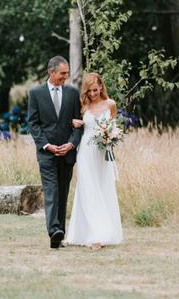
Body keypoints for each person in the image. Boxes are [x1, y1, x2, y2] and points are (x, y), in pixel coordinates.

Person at [27, 56, 83, 249]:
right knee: (51, 191)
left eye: (66, 74)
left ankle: (59, 235)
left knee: (62, 193)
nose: (65, 77)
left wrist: (72, 144)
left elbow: (78, 123)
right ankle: (54, 231)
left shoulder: (72, 93)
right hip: (47, 153)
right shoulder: (36, 93)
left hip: (67, 154)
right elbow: (33, 124)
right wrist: (46, 145)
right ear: (52, 72)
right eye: (63, 74)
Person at [66, 72, 123, 250]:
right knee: (87, 189)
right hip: (85, 152)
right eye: (89, 91)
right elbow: (70, 122)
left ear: (101, 87)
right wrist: (73, 122)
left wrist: (112, 139)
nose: (92, 94)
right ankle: (95, 236)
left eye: (95, 90)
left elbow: (113, 127)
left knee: (103, 189)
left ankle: (104, 231)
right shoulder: (83, 105)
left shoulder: (110, 104)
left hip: (103, 154)